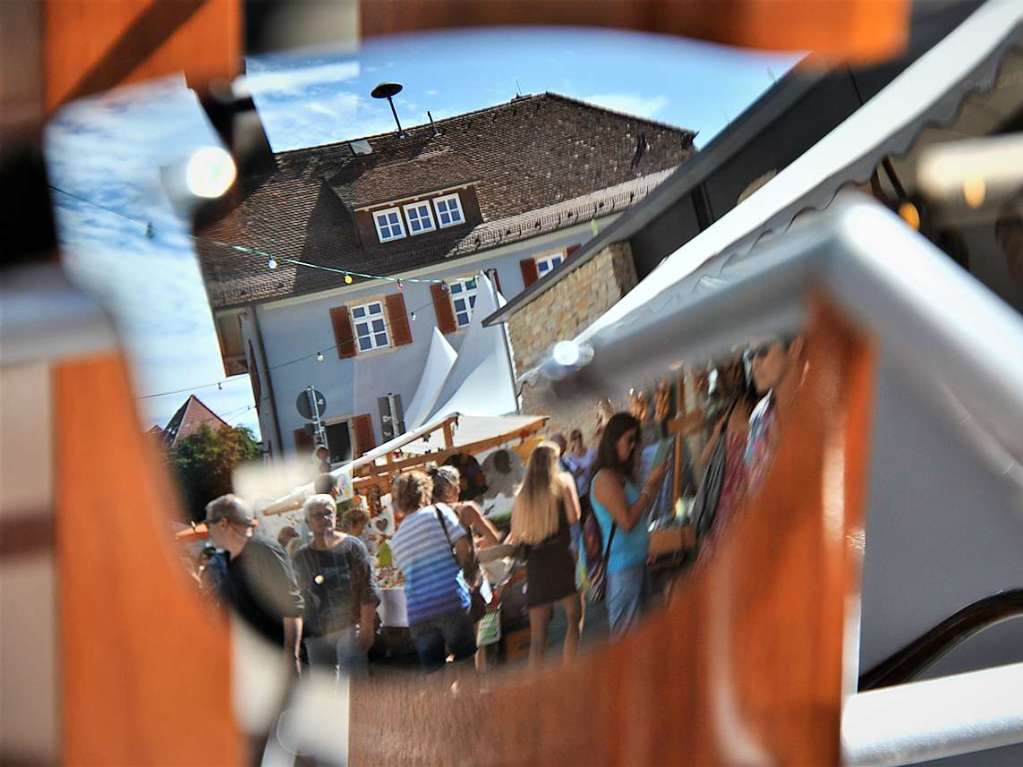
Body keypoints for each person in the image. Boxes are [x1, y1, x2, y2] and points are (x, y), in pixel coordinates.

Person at [204, 494, 304, 673]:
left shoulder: (263, 550)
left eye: (208, 524)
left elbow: (292, 606)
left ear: (223, 524)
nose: (207, 530)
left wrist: (291, 656)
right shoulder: (229, 558)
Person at [389, 471, 477, 672]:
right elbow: (463, 549)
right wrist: (468, 574)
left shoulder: (396, 539)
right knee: (465, 663)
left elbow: (407, 574)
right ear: (425, 492)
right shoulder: (439, 512)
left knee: (435, 673)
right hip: (450, 599)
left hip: (419, 610)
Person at [590, 414, 668, 637]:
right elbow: (626, 521)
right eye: (630, 439)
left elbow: (642, 511)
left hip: (637, 563)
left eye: (637, 440)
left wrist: (653, 484)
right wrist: (647, 488)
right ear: (614, 441)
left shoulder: (621, 476)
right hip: (623, 570)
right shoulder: (604, 478)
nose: (634, 446)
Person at [511, 442, 583, 666]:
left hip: (536, 564)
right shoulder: (562, 483)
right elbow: (574, 518)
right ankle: (570, 674)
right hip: (561, 557)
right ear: (554, 462)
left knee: (538, 639)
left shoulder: (522, 495)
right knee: (574, 619)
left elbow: (516, 534)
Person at [291, 494, 379, 678]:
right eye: (317, 515)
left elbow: (367, 589)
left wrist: (367, 627)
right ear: (308, 522)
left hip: (349, 625)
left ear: (335, 516)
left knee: (353, 688)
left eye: (328, 513)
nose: (324, 519)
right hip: (317, 632)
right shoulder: (301, 557)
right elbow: (296, 598)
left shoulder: (352, 547)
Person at [694, 358, 760, 555]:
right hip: (734, 494)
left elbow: (704, 458)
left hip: (730, 493)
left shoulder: (734, 411)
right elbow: (705, 457)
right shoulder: (742, 409)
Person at [745, 336, 806, 493]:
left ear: (794, 347)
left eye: (763, 351)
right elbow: (753, 490)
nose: (754, 364)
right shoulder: (758, 417)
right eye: (751, 356)